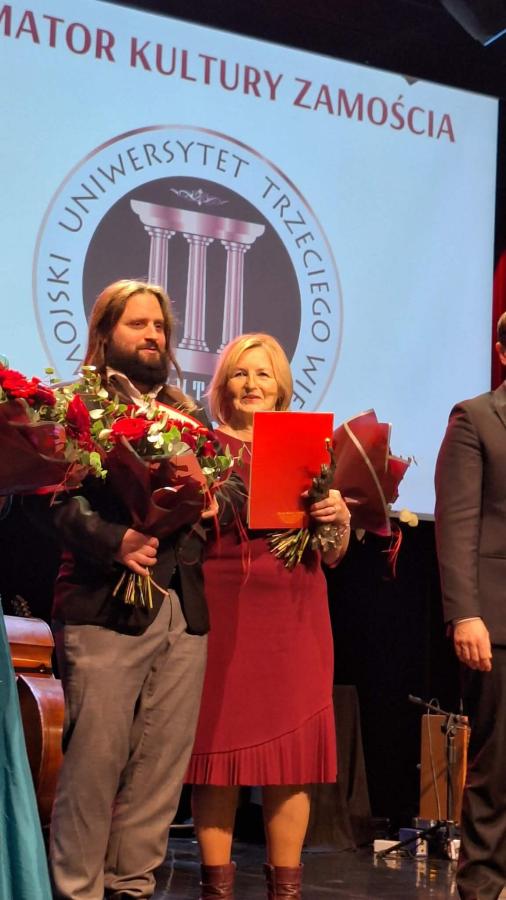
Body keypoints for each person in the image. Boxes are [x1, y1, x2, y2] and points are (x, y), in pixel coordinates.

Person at [44, 279, 236, 900]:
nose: (153, 336)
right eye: (138, 324)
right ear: (105, 334)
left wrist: (211, 504)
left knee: (159, 771)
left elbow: (219, 494)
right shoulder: (77, 405)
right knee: (94, 767)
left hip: (183, 609)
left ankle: (131, 888)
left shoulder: (188, 415)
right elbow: (56, 505)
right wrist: (117, 540)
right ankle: (77, 890)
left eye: (160, 327)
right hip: (103, 606)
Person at [185, 333, 351, 900]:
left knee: (292, 758)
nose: (252, 384)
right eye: (240, 373)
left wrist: (335, 516)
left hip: (295, 611)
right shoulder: (200, 445)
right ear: (222, 386)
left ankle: (286, 890)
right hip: (223, 607)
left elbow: (333, 553)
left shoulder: (308, 449)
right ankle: (216, 888)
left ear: (281, 387)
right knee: (215, 753)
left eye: (263, 374)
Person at [434, 311, 506, 900]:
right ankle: (482, 886)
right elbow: (457, 523)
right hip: (497, 622)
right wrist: (465, 613)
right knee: (497, 769)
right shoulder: (476, 417)